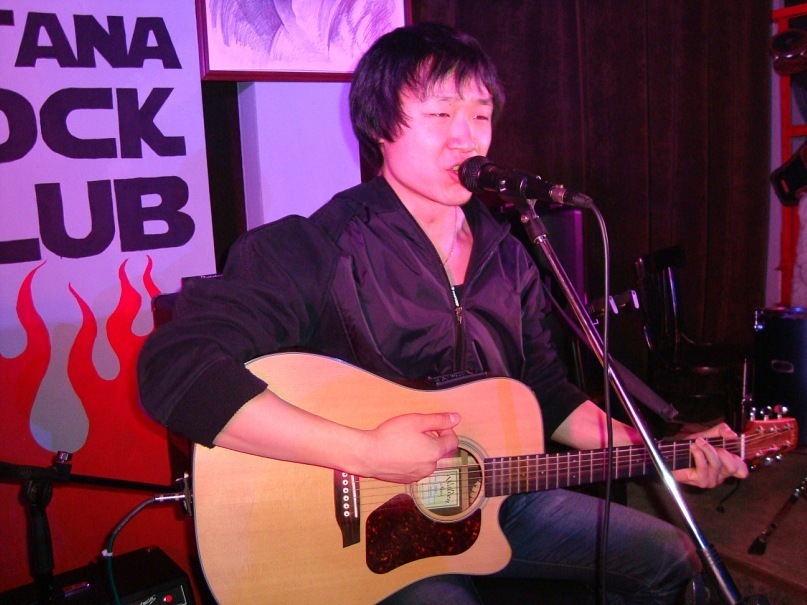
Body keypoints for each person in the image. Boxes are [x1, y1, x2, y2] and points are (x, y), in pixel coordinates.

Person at [137, 22, 748, 604]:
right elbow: (176, 366)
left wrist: (661, 454)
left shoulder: (511, 255)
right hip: (366, 535)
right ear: (380, 126)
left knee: (672, 557)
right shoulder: (316, 247)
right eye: (439, 114)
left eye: (480, 115)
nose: (467, 138)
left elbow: (548, 394)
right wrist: (364, 451)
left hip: (496, 496)